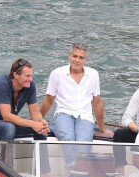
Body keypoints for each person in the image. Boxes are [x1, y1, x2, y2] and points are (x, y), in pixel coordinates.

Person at [40, 42, 113, 170]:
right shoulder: (57, 74)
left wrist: (102, 128)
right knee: (68, 138)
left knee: (83, 144)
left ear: (86, 59)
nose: (77, 60)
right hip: (63, 113)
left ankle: (77, 174)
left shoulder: (93, 75)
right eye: (75, 56)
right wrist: (38, 121)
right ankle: (75, 176)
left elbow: (97, 102)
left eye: (81, 57)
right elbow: (49, 99)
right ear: (69, 56)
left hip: (84, 116)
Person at [0, 58, 49, 140]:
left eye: (31, 76)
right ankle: (5, 153)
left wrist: (41, 122)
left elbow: (35, 112)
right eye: (27, 76)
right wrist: (32, 123)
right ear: (16, 75)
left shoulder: (30, 86)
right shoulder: (1, 85)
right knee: (9, 128)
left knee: (40, 128)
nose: (31, 79)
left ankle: (40, 152)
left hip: (7, 122)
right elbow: (7, 116)